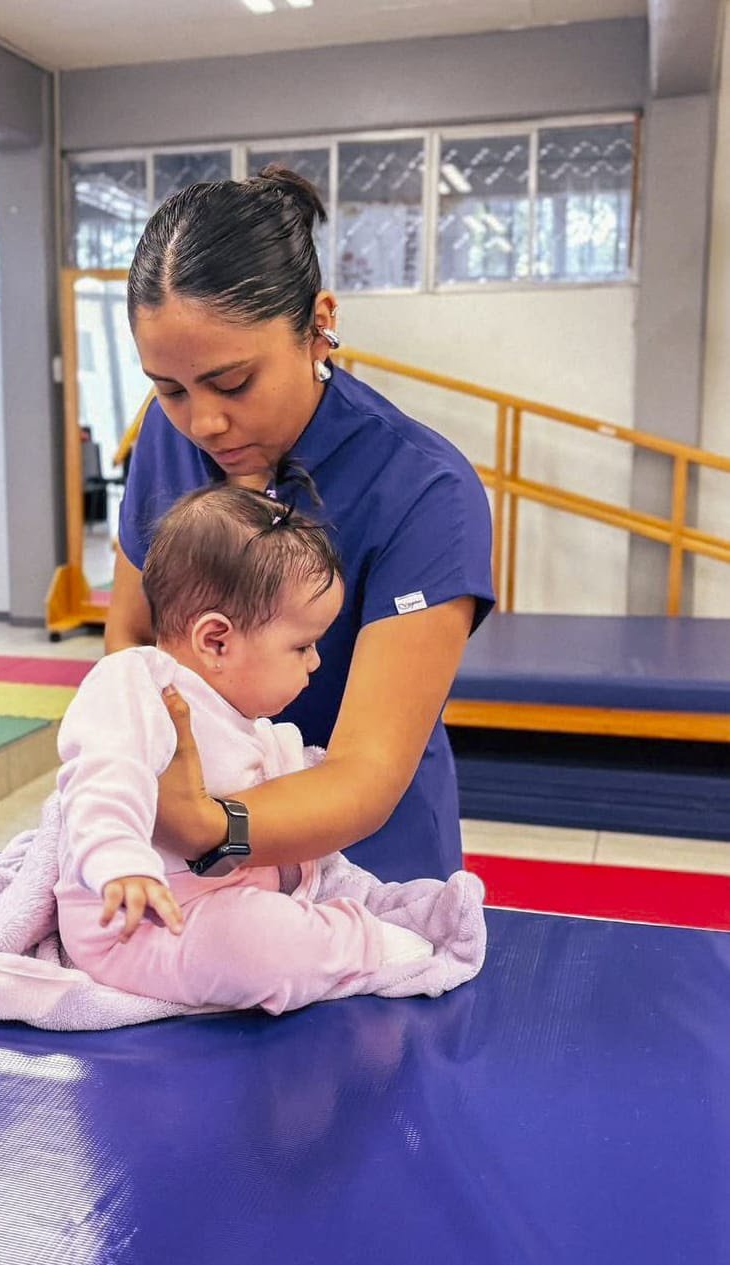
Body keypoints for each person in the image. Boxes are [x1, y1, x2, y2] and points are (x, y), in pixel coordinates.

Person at [106, 165, 495, 884]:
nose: (205, 422)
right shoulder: (167, 438)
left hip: (366, 864)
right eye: (170, 389)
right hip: (187, 850)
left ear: (319, 326)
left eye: (233, 383)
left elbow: (365, 772)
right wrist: (129, 781)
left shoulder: (424, 489)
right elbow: (130, 638)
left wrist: (208, 826)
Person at [53, 484, 484, 1015]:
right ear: (216, 641)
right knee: (255, 946)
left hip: (219, 899)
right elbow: (102, 778)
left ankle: (335, 919)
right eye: (302, 646)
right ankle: (357, 945)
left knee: (277, 909)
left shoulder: (235, 714)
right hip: (138, 924)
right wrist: (121, 863)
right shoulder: (138, 685)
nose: (316, 662)